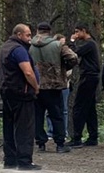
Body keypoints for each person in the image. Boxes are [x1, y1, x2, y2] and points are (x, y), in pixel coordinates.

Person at [0, 23, 43, 170]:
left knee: (9, 126)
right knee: (24, 128)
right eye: (28, 35)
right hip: (21, 93)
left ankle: (10, 159)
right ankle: (24, 161)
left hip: (7, 91)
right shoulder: (19, 50)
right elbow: (28, 72)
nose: (30, 38)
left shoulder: (5, 47)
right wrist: (36, 86)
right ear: (19, 35)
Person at [29, 23, 77, 153]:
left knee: (37, 115)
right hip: (53, 85)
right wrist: (64, 68)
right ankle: (60, 144)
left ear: (38, 31)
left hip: (36, 84)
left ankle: (41, 143)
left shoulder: (30, 45)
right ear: (49, 31)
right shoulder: (57, 45)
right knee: (57, 114)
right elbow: (73, 57)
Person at [68, 23, 101, 147]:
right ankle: (93, 137)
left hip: (88, 77)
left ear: (84, 30)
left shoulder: (89, 44)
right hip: (91, 77)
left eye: (77, 31)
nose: (76, 34)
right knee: (90, 108)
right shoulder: (91, 44)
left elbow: (74, 53)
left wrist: (72, 41)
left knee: (79, 106)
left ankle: (76, 138)